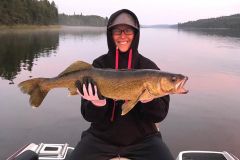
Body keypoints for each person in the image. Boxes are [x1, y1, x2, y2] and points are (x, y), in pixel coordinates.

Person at [68, 9, 174, 160]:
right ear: (110, 34)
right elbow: (89, 116)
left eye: (128, 30)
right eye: (117, 31)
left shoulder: (150, 68)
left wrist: (148, 99)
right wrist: (97, 103)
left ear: (135, 34)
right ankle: (43, 86)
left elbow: (159, 115)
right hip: (100, 138)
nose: (122, 36)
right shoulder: (98, 65)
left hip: (144, 140)